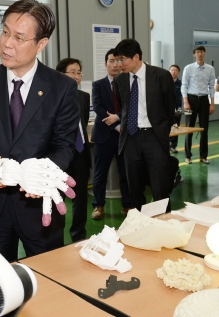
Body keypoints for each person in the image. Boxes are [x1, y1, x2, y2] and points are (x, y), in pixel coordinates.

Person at [0, 0, 79, 262]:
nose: (7, 43)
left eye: (19, 37)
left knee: (50, 282)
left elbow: (65, 146)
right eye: (4, 32)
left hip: (40, 207)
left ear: (41, 44)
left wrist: (43, 173)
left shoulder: (61, 88)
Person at [113, 39, 175, 211]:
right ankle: (141, 224)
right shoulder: (120, 81)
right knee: (134, 186)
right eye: (117, 59)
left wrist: (161, 131)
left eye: (123, 59)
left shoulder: (161, 76)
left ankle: (164, 223)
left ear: (136, 57)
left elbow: (169, 110)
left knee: (160, 186)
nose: (119, 64)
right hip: (130, 139)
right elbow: (123, 107)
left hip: (154, 137)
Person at [90, 49, 132, 220]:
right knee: (100, 173)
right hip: (104, 135)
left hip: (125, 136)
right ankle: (98, 205)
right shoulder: (98, 85)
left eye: (118, 61)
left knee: (125, 172)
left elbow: (131, 106)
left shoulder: (128, 83)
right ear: (106, 63)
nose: (115, 64)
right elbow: (98, 108)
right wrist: (116, 125)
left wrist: (119, 118)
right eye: (111, 61)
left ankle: (127, 204)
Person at [55, 58, 91, 242]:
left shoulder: (83, 97)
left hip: (80, 153)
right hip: (60, 156)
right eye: (72, 72)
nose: (76, 76)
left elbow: (82, 125)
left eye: (79, 72)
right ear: (61, 74)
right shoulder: (51, 98)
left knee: (81, 198)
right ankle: (56, 238)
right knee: (58, 198)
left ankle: (79, 236)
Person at [181, 46, 215, 164]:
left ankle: (203, 156)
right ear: (194, 55)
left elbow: (212, 86)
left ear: (204, 53)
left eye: (201, 52)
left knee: (204, 129)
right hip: (190, 100)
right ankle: (188, 156)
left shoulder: (210, 69)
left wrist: (212, 103)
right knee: (189, 128)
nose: (199, 54)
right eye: (197, 52)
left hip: (204, 100)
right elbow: (184, 85)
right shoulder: (188, 68)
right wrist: (185, 102)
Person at [169, 65, 183, 153]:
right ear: (169, 71)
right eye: (172, 70)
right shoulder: (165, 82)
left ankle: (173, 146)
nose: (173, 72)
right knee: (166, 127)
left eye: (176, 70)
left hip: (177, 109)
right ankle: (166, 145)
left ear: (178, 72)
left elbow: (183, 95)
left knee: (176, 126)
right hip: (167, 109)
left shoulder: (181, 83)